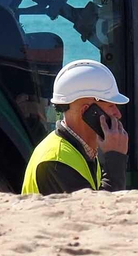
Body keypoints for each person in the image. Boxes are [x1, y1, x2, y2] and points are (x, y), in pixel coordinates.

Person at [21, 59, 130, 195]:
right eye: (110, 106)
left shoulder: (84, 152)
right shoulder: (55, 162)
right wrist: (115, 160)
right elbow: (99, 213)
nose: (118, 114)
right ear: (87, 112)